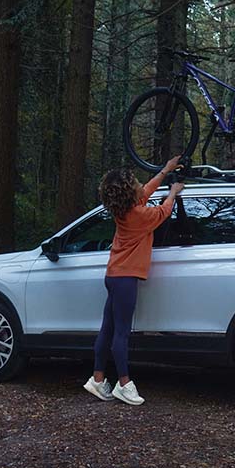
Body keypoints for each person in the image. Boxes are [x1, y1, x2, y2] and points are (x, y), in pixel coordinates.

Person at [83, 157, 184, 406]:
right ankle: (124, 384)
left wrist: (165, 170)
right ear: (130, 192)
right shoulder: (139, 215)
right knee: (121, 333)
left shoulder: (125, 209)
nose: (141, 184)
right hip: (125, 278)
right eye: (136, 182)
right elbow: (163, 211)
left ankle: (97, 379)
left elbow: (147, 191)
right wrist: (173, 192)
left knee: (107, 329)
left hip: (114, 276)